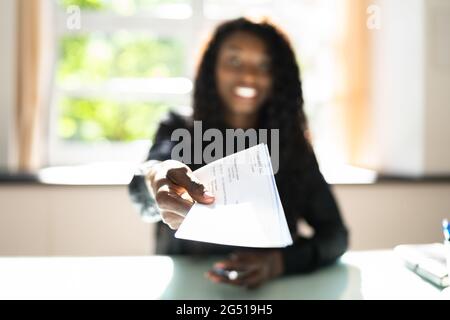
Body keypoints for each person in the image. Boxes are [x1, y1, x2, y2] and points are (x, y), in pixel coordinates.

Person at [128, 17, 349, 289]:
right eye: (234, 61)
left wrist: (279, 263)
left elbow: (335, 235)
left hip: (270, 294)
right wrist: (156, 175)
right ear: (212, 70)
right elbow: (144, 185)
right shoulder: (178, 128)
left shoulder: (290, 146)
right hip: (188, 290)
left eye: (264, 65)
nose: (249, 76)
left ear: (277, 77)